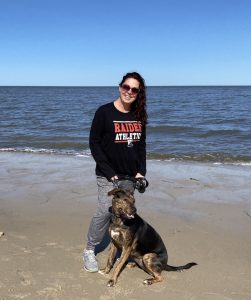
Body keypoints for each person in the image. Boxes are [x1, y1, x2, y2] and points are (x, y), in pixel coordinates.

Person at [83, 71, 148, 272]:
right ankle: (89, 250)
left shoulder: (139, 115)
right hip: (107, 175)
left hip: (130, 176)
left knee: (124, 214)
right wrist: (109, 171)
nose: (129, 92)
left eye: (134, 89)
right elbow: (94, 143)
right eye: (126, 87)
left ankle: (119, 248)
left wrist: (141, 172)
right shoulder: (104, 112)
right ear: (120, 87)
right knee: (105, 211)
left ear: (138, 93)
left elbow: (141, 146)